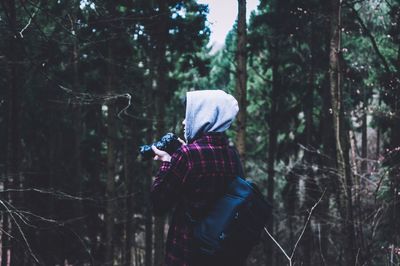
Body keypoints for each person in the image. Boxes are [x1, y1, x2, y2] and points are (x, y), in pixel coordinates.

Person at [151, 90, 247, 266]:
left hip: (186, 254)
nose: (184, 122)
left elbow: (158, 203)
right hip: (220, 254)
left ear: (204, 116)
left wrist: (167, 162)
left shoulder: (187, 155)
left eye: (190, 116)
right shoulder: (232, 156)